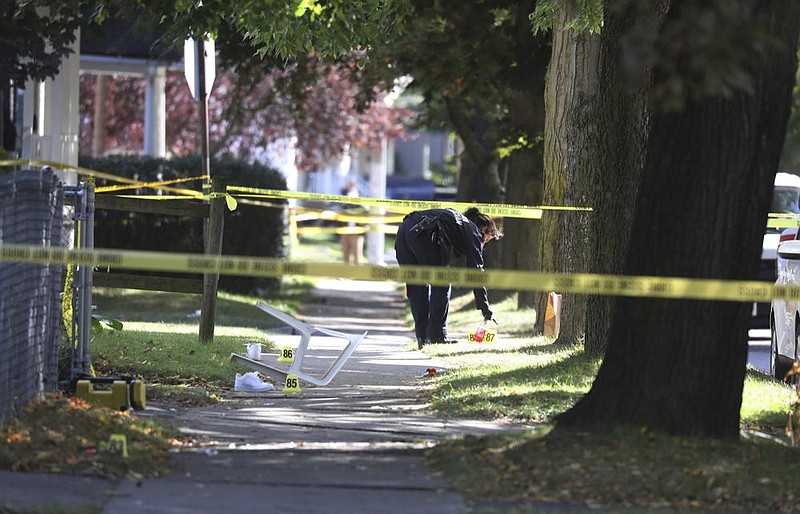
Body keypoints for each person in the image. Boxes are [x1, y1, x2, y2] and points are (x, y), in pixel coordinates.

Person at [394, 207, 503, 348]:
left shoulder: (458, 223)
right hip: (424, 235)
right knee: (442, 284)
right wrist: (484, 307)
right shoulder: (473, 231)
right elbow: (476, 272)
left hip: (404, 231)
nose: (484, 244)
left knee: (416, 285)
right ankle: (437, 336)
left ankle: (422, 338)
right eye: (487, 239)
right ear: (483, 229)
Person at [339, 179, 364, 265]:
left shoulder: (361, 206)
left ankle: (358, 275)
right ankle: (345, 274)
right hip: (345, 232)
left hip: (356, 233)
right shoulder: (345, 204)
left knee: (357, 254)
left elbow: (365, 219)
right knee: (345, 254)